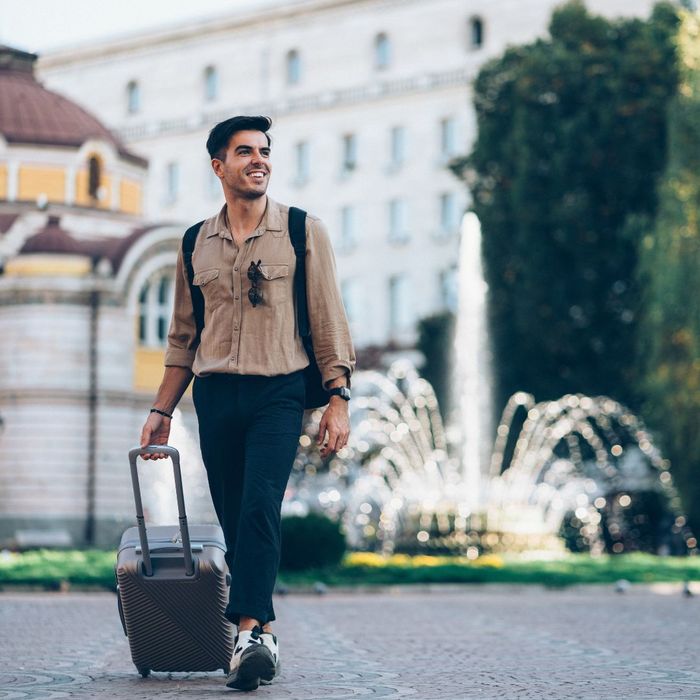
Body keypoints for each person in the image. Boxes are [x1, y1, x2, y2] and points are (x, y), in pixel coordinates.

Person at [139, 115, 356, 691]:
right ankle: (260, 636)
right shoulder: (194, 243)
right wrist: (162, 411)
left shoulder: (304, 231)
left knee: (261, 504)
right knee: (236, 515)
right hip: (214, 395)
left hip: (279, 391)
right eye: (244, 152)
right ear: (219, 166)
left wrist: (338, 396)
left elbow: (329, 318)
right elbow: (183, 339)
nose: (258, 160)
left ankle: (251, 634)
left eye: (264, 151)